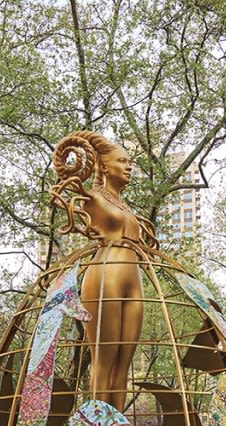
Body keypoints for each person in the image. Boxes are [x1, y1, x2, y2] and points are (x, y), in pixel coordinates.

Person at [50, 131, 157, 411]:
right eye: (122, 161)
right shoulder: (93, 198)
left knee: (124, 360)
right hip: (105, 275)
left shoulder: (124, 206)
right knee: (104, 357)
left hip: (133, 279)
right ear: (104, 166)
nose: (129, 167)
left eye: (130, 162)